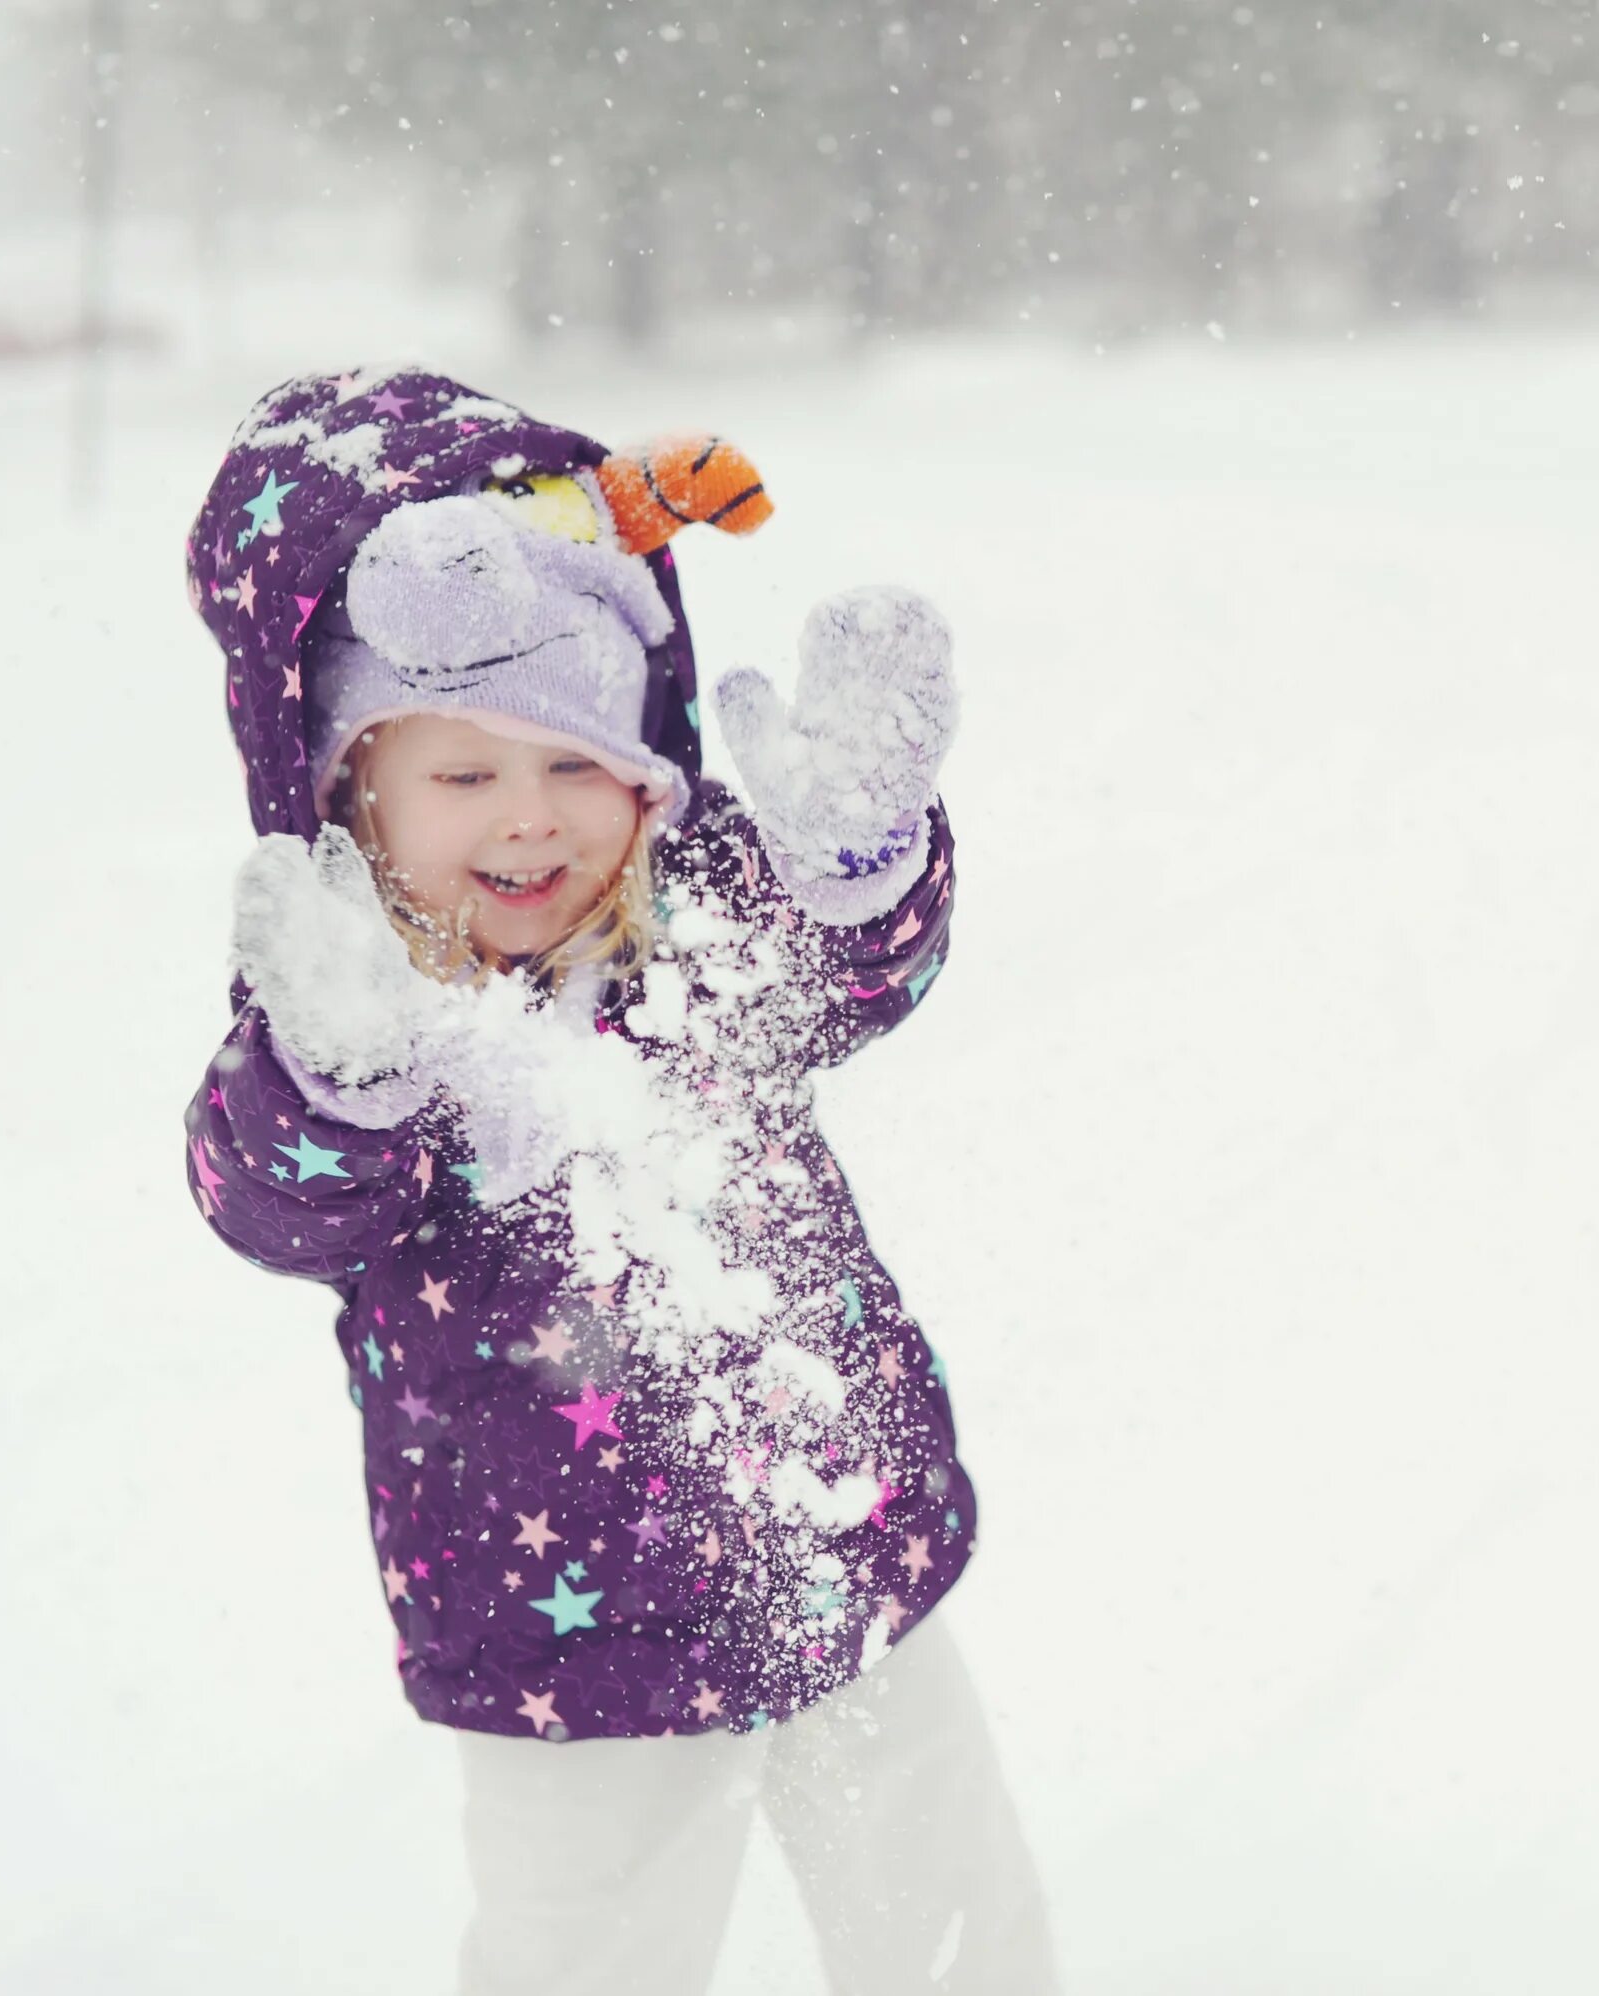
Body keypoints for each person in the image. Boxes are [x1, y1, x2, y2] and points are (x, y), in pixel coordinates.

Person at [180, 368, 1059, 1995]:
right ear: (347, 793)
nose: (529, 824)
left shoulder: (701, 906)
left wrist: (858, 864)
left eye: (579, 768)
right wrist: (340, 1081)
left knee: (940, 1902)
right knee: (586, 1955)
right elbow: (269, 1199)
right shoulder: (353, 1006)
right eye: (461, 778)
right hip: (553, 1627)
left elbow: (846, 977)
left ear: (648, 774)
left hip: (831, 1519)